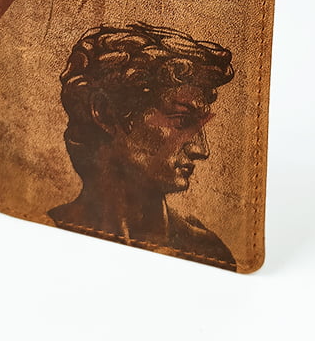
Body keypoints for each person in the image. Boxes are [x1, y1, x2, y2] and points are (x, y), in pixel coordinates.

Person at [48, 21, 236, 270]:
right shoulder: (41, 235)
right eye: (181, 121)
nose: (202, 150)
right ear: (105, 112)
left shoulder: (208, 253)